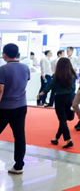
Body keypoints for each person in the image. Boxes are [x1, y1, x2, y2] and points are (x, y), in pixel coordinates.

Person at [0, 43, 30, 175]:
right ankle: (19, 165)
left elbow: (0, 90)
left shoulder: (3, 69)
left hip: (5, 107)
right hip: (21, 106)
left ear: (4, 54)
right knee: (19, 136)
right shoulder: (25, 68)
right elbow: (24, 84)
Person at [38, 58, 76, 148]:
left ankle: (69, 140)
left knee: (62, 120)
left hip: (60, 98)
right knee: (63, 120)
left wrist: (41, 93)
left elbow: (50, 86)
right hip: (69, 98)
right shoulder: (73, 75)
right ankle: (56, 138)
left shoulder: (57, 76)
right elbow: (73, 89)